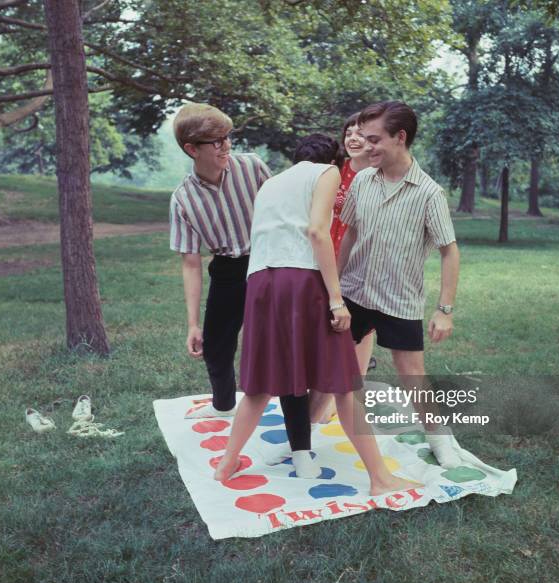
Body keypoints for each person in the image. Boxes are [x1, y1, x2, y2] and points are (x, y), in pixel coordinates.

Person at [214, 134, 423, 494]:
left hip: (261, 284)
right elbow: (316, 231)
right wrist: (336, 298)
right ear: (332, 159)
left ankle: (227, 463)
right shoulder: (327, 173)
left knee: (260, 384)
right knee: (345, 384)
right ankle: (380, 478)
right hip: (302, 281)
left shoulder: (272, 183)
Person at [169, 103, 315, 468]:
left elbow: (287, 213)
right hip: (227, 271)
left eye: (228, 138)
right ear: (192, 148)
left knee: (283, 354)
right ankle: (222, 406)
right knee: (216, 351)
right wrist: (192, 322)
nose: (226, 147)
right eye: (216, 142)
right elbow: (190, 261)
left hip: (269, 263)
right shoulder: (183, 199)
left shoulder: (252, 167)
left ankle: (300, 446)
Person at [325, 100, 464, 468]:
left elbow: (450, 252)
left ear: (400, 138)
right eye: (362, 138)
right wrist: (334, 289)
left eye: (374, 139)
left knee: (412, 375)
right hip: (354, 293)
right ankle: (306, 429)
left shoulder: (428, 193)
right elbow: (350, 234)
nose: (364, 146)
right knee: (330, 362)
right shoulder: (362, 182)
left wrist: (444, 310)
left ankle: (440, 439)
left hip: (399, 301)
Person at [310, 113, 375, 423]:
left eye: (360, 133)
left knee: (361, 327)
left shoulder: (378, 175)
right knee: (333, 320)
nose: (353, 138)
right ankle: (329, 390)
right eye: (348, 132)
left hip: (363, 255)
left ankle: (351, 391)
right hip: (332, 251)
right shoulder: (337, 171)